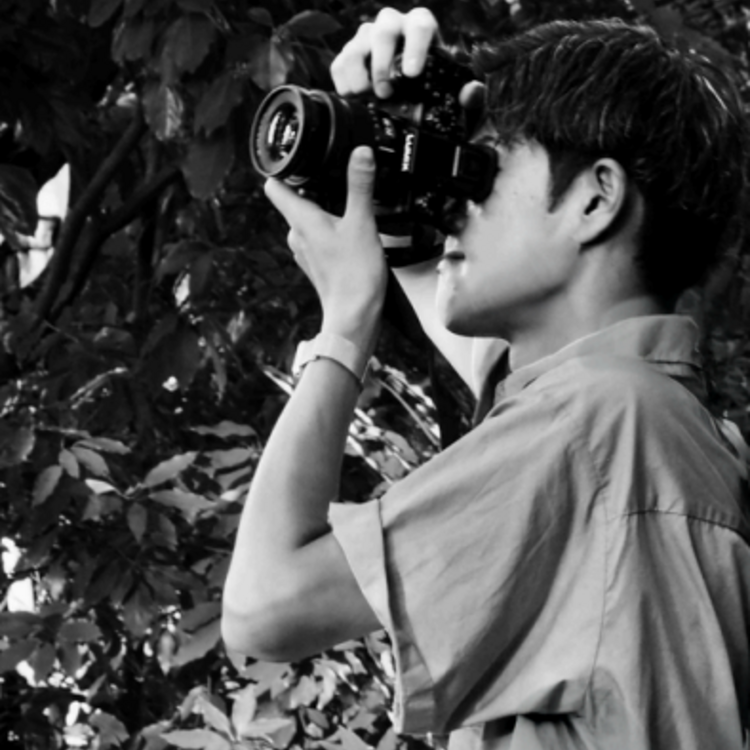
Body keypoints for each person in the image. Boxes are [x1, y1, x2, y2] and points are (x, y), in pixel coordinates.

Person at [222, 7, 750, 749]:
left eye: (484, 170)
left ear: (595, 198)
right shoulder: (666, 425)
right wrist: (395, 158)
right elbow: (458, 313)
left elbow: (265, 608)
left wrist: (345, 322)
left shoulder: (594, 423)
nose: (453, 207)